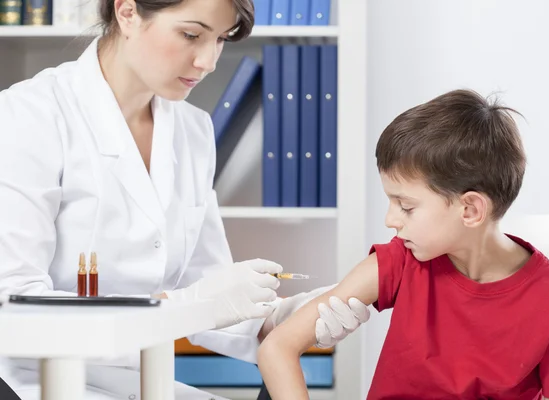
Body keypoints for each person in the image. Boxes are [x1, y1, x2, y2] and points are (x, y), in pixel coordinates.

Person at [0, 0, 371, 399]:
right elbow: (14, 308)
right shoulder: (27, 115)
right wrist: (183, 303)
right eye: (191, 35)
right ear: (127, 13)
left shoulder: (193, 130)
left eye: (221, 40)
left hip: (139, 379)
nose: (208, 61)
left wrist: (288, 315)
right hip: (34, 381)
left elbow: (207, 293)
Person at [256, 89, 549, 400]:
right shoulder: (401, 262)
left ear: (470, 209)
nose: (391, 219)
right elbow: (278, 347)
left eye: (406, 206)